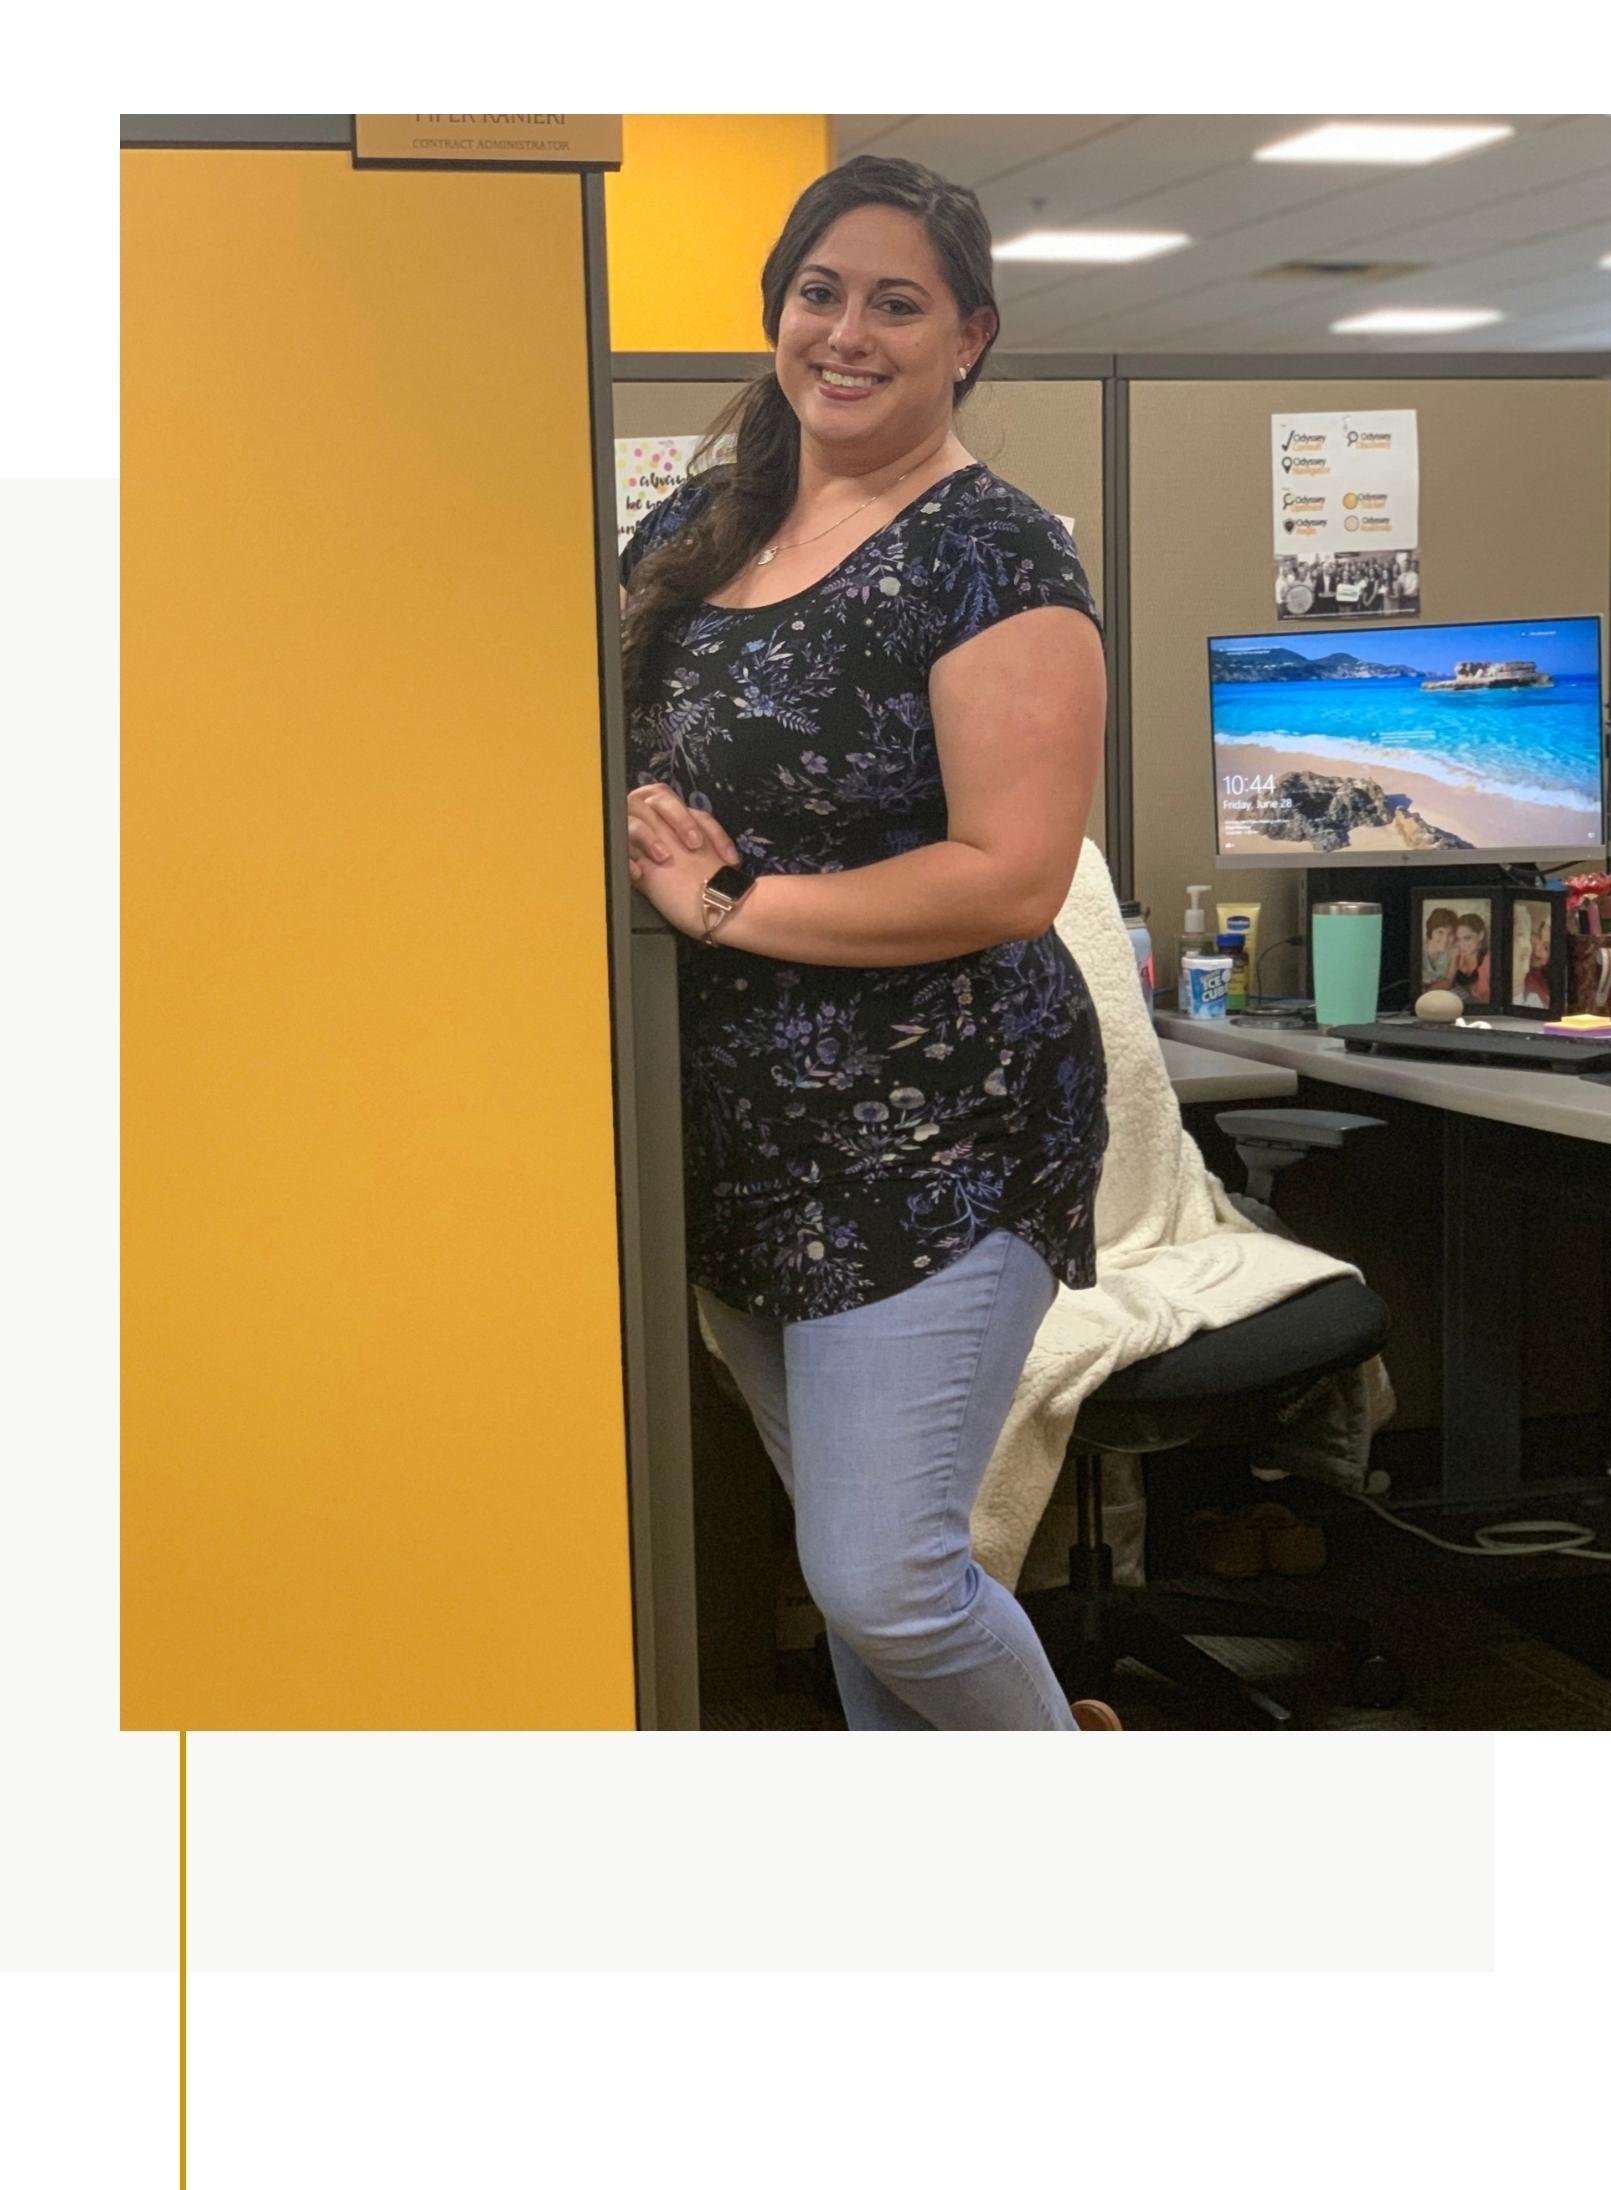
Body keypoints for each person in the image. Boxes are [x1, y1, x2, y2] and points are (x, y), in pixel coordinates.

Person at [618, 156, 1117, 1733]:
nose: (847, 330)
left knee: (885, 1574)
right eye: (819, 291)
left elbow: (1011, 875)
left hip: (942, 1131)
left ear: (969, 334)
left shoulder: (996, 554)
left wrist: (731, 903)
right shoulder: (707, 527)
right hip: (744, 1137)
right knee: (866, 1583)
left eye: (896, 302)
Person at [1451, 912, 1492, 1004]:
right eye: (1458, 939)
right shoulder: (1456, 957)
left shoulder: (1488, 962)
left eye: (1467, 938)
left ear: (1481, 935)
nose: (1462, 945)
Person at [1420, 906, 1458, 990]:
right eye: (1440, 932)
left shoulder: (1454, 951)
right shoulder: (1419, 947)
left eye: (1450, 934)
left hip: (1437, 992)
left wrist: (1428, 992)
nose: (1445, 939)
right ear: (1431, 931)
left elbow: (1448, 981)